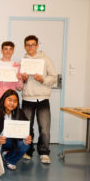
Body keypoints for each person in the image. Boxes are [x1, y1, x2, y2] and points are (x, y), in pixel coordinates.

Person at [21, 35, 57, 164]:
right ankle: (28, 151)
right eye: (28, 45)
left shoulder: (45, 60)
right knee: (26, 128)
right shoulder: (23, 61)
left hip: (42, 98)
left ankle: (44, 152)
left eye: (33, 44)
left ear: (37, 46)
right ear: (25, 46)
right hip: (27, 98)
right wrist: (23, 79)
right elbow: (19, 82)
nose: (30, 47)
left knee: (45, 128)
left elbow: (54, 77)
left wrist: (43, 80)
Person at [0, 89, 32, 170]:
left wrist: (27, 137)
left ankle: (10, 160)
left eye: (15, 101)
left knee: (25, 144)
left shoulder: (19, 113)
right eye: (9, 100)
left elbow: (27, 128)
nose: (12, 103)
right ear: (3, 100)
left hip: (10, 141)